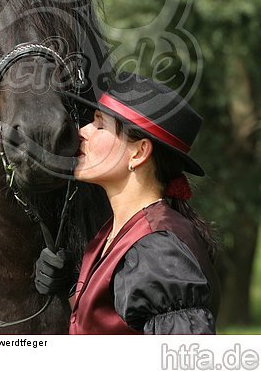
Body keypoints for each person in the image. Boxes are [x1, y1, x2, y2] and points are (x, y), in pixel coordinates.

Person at [35, 72, 220, 335]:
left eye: (99, 125)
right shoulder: (117, 234)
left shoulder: (158, 249)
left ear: (139, 152)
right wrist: (71, 287)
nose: (82, 132)